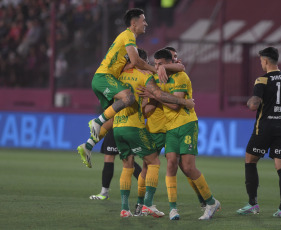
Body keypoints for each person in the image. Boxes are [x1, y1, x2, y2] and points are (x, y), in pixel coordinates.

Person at [77, 8, 172, 168]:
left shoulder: (127, 39)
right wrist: (157, 69)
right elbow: (136, 61)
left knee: (113, 118)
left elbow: (129, 62)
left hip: (106, 79)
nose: (146, 23)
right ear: (134, 23)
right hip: (104, 77)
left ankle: (87, 146)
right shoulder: (128, 36)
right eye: (143, 20)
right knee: (128, 98)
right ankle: (97, 121)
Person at [113, 48, 194, 218]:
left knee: (174, 165)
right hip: (155, 129)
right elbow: (147, 108)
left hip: (168, 127)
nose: (152, 66)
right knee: (149, 165)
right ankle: (143, 204)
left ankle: (131, 207)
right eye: (151, 63)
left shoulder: (118, 76)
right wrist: (178, 101)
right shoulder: (147, 78)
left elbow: (181, 68)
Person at [140, 49, 220, 220]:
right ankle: (173, 209)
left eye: (159, 64)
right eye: (155, 64)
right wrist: (155, 95)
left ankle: (211, 202)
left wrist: (156, 95)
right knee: (170, 165)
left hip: (186, 124)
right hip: (170, 128)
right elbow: (155, 101)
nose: (157, 67)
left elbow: (175, 106)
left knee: (189, 167)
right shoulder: (157, 79)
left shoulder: (181, 77)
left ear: (168, 63)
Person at [236, 47, 281, 218]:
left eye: (261, 60)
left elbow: (254, 105)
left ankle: (253, 204)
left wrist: (250, 103)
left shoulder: (262, 80)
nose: (261, 63)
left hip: (265, 127)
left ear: (266, 61)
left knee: (250, 160)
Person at [88, 129, 142, 200]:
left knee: (127, 160)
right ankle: (104, 193)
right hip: (118, 130)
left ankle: (147, 188)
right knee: (112, 158)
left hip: (122, 128)